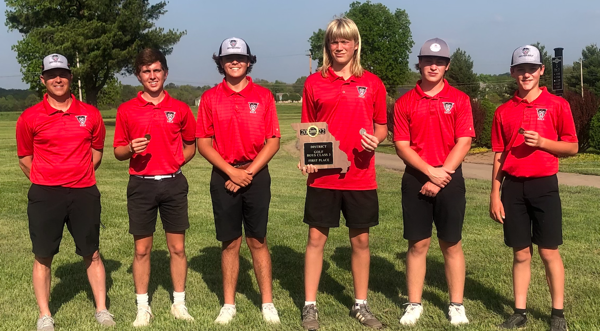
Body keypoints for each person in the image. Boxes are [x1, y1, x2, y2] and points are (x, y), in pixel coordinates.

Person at [299, 18, 387, 330]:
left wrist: (375, 139)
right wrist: (307, 157)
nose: (340, 47)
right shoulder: (314, 83)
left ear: (355, 44)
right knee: (315, 239)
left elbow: (382, 127)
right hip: (323, 176)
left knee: (361, 241)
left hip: (361, 175)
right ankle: (310, 306)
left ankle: (360, 304)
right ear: (327, 46)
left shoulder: (373, 83)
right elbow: (309, 130)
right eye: (334, 42)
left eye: (345, 41)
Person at [16, 53, 115, 331]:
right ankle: (45, 315)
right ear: (43, 80)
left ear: (71, 77)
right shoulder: (29, 117)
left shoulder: (91, 114)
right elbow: (25, 158)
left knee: (92, 252)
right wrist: (46, 179)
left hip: (83, 192)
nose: (57, 79)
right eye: (51, 75)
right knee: (43, 255)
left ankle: (102, 309)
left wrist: (78, 173)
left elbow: (96, 153)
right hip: (46, 195)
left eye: (62, 73)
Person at [490, 45, 577, 331]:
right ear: (513, 72)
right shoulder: (504, 111)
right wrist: (495, 192)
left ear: (541, 71)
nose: (526, 74)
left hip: (544, 186)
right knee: (520, 253)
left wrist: (542, 143)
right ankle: (519, 311)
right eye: (520, 69)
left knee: (548, 251)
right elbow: (500, 154)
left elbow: (572, 147)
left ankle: (557, 314)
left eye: (531, 68)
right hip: (513, 189)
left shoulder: (557, 105)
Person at [196, 37, 281, 325]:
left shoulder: (264, 96)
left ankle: (267, 302)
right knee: (230, 242)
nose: (235, 62)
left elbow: (273, 141)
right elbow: (203, 143)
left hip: (256, 174)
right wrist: (232, 173)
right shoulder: (209, 98)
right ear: (219, 62)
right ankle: (229, 304)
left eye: (240, 57)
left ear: (249, 61)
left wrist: (248, 173)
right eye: (228, 57)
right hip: (224, 175)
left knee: (258, 240)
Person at [113, 49, 197, 327]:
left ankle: (179, 304)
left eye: (157, 70)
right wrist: (130, 149)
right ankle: (143, 307)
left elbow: (190, 145)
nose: (152, 76)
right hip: (141, 185)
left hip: (173, 184)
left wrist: (174, 162)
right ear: (139, 76)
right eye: (146, 71)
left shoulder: (181, 108)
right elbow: (118, 152)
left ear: (165, 73)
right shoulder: (126, 110)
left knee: (178, 248)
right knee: (141, 250)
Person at [393, 38, 474, 326]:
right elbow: (402, 146)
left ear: (447, 66)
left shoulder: (460, 100)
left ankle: (456, 304)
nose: (433, 66)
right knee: (418, 244)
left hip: (450, 178)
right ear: (420, 62)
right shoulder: (405, 102)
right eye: (428, 60)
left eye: (439, 62)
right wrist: (430, 172)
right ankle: (414, 303)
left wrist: (440, 177)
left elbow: (464, 141)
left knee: (451, 243)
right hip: (416, 178)